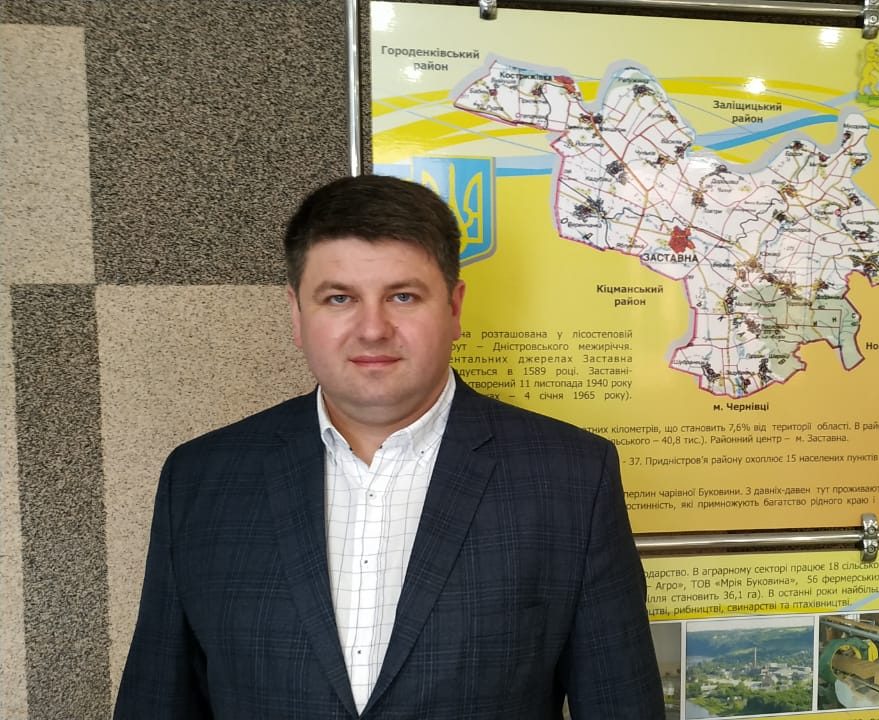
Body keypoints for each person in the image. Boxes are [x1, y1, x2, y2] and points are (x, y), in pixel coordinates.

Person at [114, 174, 664, 719]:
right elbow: (157, 700)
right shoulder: (200, 478)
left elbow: (621, 705)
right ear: (297, 315)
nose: (373, 328)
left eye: (403, 296)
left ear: (454, 309)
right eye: (339, 298)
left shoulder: (573, 477)